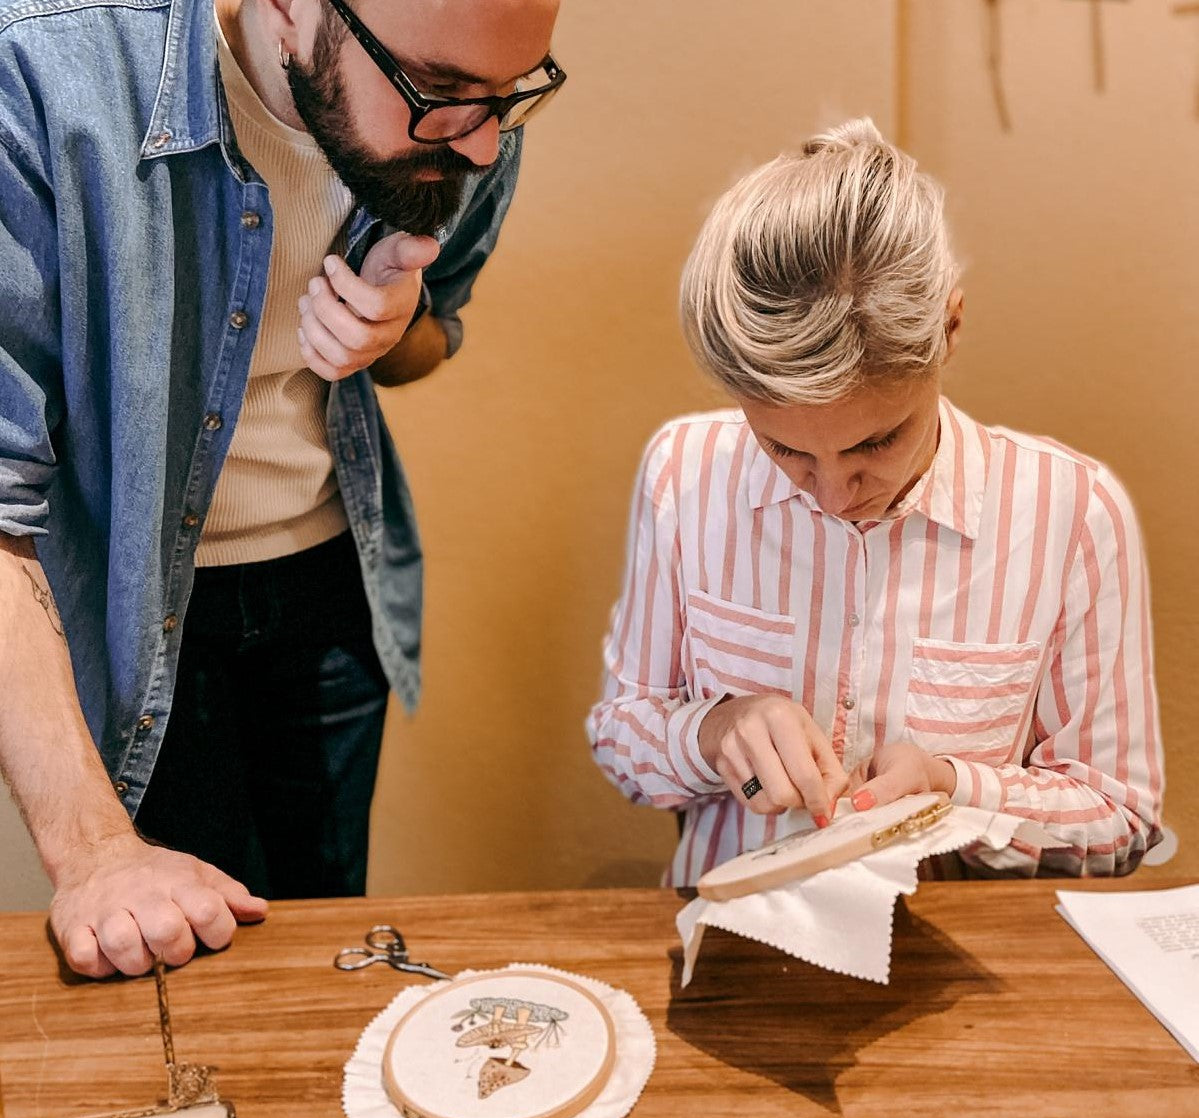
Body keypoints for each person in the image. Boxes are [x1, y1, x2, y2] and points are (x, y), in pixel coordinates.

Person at [0, 0, 564, 977]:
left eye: (507, 97)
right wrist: (94, 852)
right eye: (436, 96)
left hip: (330, 587)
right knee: (187, 966)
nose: (476, 146)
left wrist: (397, 325)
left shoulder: (468, 104)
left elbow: (428, 345)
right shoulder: (41, 68)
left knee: (321, 952)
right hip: (134, 615)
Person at [587, 118, 1163, 885]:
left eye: (874, 443)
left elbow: (1120, 820)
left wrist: (956, 791)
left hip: (958, 960)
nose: (831, 493)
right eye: (784, 448)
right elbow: (621, 736)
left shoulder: (1071, 514)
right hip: (733, 946)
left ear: (949, 330)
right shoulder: (684, 472)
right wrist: (714, 727)